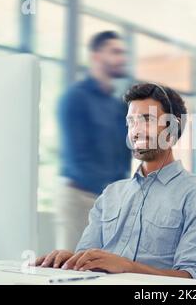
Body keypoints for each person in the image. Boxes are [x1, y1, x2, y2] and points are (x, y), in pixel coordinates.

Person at [34, 83, 196, 280]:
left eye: (147, 120)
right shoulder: (110, 194)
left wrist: (128, 267)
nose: (136, 131)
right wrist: (69, 261)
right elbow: (89, 262)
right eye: (131, 122)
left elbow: (195, 278)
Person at [55, 31, 132, 251]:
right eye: (115, 52)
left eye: (123, 53)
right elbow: (78, 158)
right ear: (96, 56)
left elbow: (122, 157)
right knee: (73, 270)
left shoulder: (118, 105)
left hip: (108, 201)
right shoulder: (75, 98)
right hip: (79, 198)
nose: (122, 58)